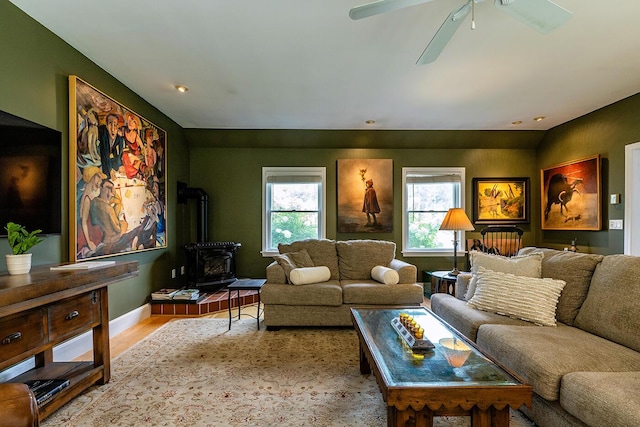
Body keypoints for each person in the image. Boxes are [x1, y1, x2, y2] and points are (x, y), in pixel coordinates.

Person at [98, 113, 125, 178]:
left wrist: (120, 165)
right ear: (106, 126)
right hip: (100, 160)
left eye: (115, 125)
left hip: (111, 161)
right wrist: (110, 169)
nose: (113, 128)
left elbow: (119, 155)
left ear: (118, 126)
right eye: (110, 124)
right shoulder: (103, 136)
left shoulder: (120, 139)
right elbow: (105, 153)